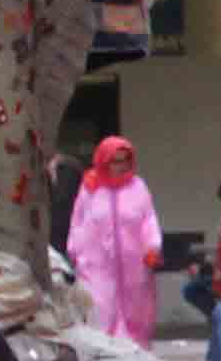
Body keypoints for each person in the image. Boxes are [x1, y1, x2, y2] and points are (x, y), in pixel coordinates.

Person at [66, 132, 165, 339]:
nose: (121, 166)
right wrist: (74, 250)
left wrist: (152, 247)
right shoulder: (90, 188)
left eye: (125, 160)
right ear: (104, 161)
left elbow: (148, 219)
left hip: (134, 267)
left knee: (136, 316)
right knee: (99, 311)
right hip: (96, 266)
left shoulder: (138, 187)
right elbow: (78, 221)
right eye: (115, 161)